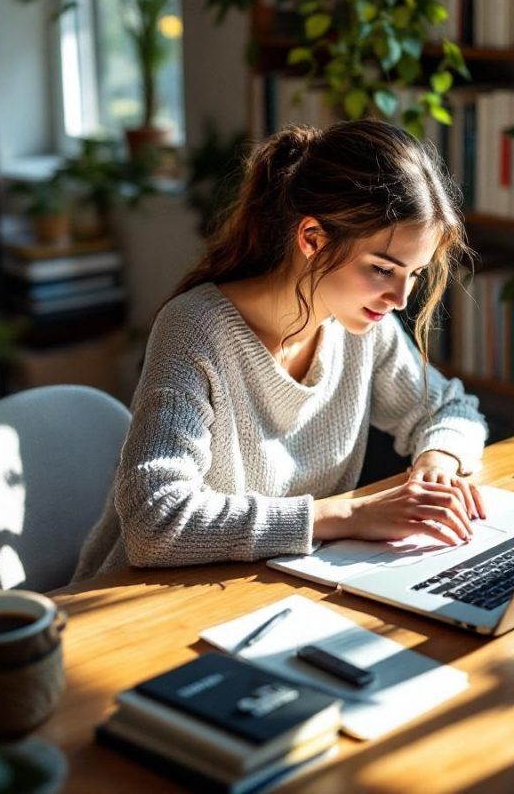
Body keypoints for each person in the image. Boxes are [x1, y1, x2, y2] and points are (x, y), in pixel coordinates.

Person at [73, 119, 488, 579]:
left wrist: (436, 465)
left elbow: (450, 409)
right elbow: (156, 520)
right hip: (144, 601)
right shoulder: (194, 329)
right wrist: (349, 516)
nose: (400, 300)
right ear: (312, 238)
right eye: (382, 269)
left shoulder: (366, 328)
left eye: (414, 274)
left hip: (273, 587)